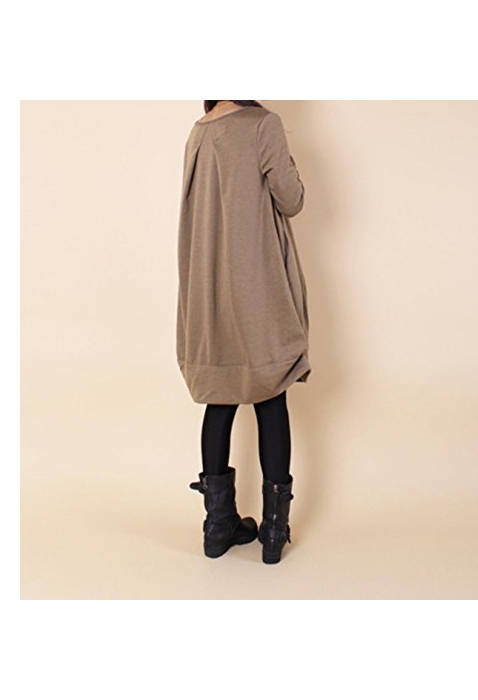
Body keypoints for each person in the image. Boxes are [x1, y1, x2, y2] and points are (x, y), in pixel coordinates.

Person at [177, 100, 310, 564]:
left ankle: (218, 527)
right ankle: (273, 532)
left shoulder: (199, 131)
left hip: (210, 286)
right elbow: (292, 199)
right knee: (271, 396)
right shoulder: (262, 125)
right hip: (256, 284)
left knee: (221, 397)